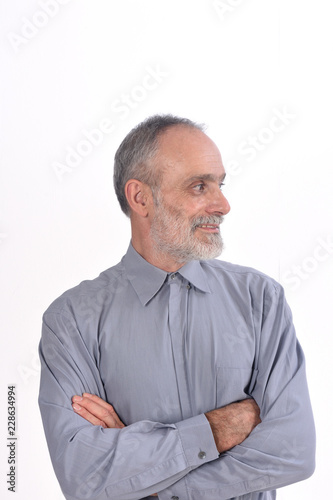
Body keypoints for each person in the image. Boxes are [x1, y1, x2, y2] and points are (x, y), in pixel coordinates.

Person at [38, 115, 315, 500]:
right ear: (140, 198)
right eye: (199, 186)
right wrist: (221, 427)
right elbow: (84, 477)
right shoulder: (70, 320)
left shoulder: (260, 299)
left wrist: (145, 480)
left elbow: (293, 452)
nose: (223, 204)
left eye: (220, 184)